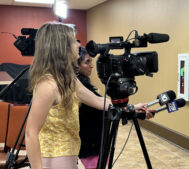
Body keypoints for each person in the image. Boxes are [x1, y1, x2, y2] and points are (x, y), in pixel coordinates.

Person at [25, 22, 153, 169]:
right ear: (61, 46)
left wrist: (131, 108)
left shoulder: (68, 79)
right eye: (74, 41)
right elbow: (31, 132)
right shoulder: (48, 85)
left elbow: (97, 101)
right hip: (53, 157)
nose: (78, 44)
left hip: (69, 152)